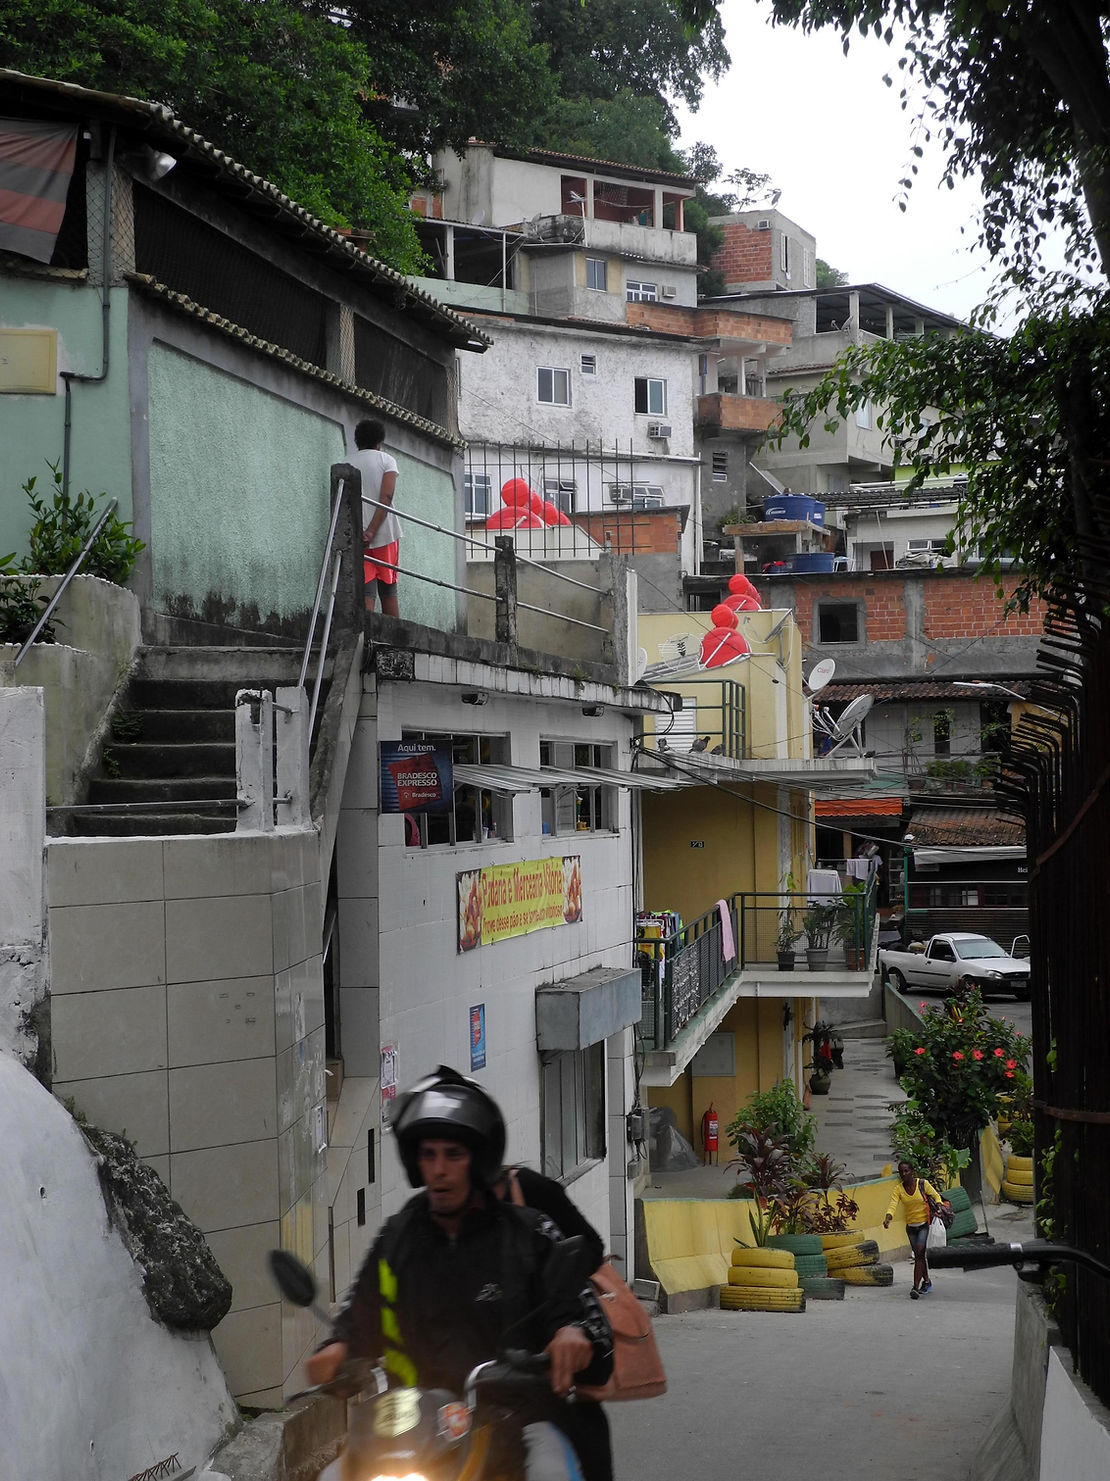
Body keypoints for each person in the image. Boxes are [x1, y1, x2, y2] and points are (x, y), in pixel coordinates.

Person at [306, 1067, 613, 1478]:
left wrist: (575, 1334)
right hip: (412, 1430)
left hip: (515, 1422)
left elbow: (581, 1313)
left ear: (479, 1161)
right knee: (330, 1477)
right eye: (428, 1155)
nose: (439, 1169)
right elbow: (360, 1314)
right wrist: (338, 1349)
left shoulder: (529, 1233)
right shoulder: (397, 1239)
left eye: (453, 1155)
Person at [495, 1165, 611, 1481]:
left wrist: (561, 1307)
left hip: (547, 1372)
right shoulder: (430, 1224)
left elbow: (590, 1245)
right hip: (474, 1400)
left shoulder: (530, 1191)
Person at [347, 418, 400, 617]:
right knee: (388, 590)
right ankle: (394, 644)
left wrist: (364, 532)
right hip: (386, 534)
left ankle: (366, 639)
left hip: (358, 537)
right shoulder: (387, 460)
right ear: (379, 442)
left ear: (357, 441)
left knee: (366, 590)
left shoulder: (346, 462)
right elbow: (386, 497)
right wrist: (372, 531)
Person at [883, 1158, 945, 1298]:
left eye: (906, 1171)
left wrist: (939, 1205)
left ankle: (915, 1287)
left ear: (912, 1172)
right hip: (910, 1228)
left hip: (923, 1225)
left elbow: (935, 1195)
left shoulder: (923, 1184)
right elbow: (893, 1205)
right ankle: (927, 1281)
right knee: (919, 1256)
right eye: (901, 1172)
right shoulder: (898, 1189)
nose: (903, 1174)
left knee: (918, 1254)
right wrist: (888, 1218)